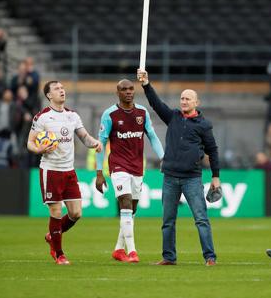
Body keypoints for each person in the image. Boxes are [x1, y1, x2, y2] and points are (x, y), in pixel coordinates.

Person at [137, 69, 219, 266]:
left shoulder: (204, 125)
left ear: (196, 103)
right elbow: (156, 104)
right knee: (167, 221)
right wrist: (146, 84)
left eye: (188, 99)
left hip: (192, 178)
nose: (184, 101)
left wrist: (216, 177)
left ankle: (210, 257)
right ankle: (169, 257)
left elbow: (213, 151)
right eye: (182, 98)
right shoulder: (173, 116)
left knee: (201, 219)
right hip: (170, 177)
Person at [27, 81, 103, 265]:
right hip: (51, 170)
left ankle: (51, 236)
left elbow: (83, 136)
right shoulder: (42, 117)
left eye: (62, 88)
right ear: (48, 95)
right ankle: (59, 253)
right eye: (56, 89)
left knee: (76, 213)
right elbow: (30, 142)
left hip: (69, 171)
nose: (62, 91)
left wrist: (95, 143)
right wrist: (38, 149)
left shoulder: (72, 116)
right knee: (55, 210)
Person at [95, 79, 165, 263]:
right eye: (124, 89)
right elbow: (100, 143)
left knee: (131, 210)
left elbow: (153, 136)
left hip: (137, 166)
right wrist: (99, 172)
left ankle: (119, 250)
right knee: (124, 203)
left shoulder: (142, 112)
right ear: (117, 92)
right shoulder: (109, 114)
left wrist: (163, 157)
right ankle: (133, 252)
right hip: (118, 166)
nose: (128, 92)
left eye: (131, 89)